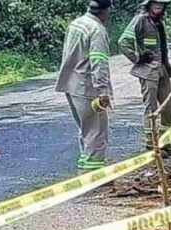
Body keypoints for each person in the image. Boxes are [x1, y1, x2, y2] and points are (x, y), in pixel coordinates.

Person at [56, 0, 113, 171]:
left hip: (70, 83)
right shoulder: (97, 30)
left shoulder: (76, 24)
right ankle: (93, 174)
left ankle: (85, 165)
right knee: (96, 131)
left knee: (85, 128)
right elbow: (98, 62)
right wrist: (102, 91)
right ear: (105, 12)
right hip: (87, 87)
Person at [119, 0, 171, 156]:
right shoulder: (140, 20)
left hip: (162, 70)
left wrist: (168, 68)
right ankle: (151, 145)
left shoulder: (159, 22)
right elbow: (123, 42)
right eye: (155, 3)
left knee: (168, 107)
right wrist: (137, 58)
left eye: (162, 3)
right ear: (149, 4)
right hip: (148, 72)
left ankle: (165, 142)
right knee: (151, 109)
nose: (159, 5)